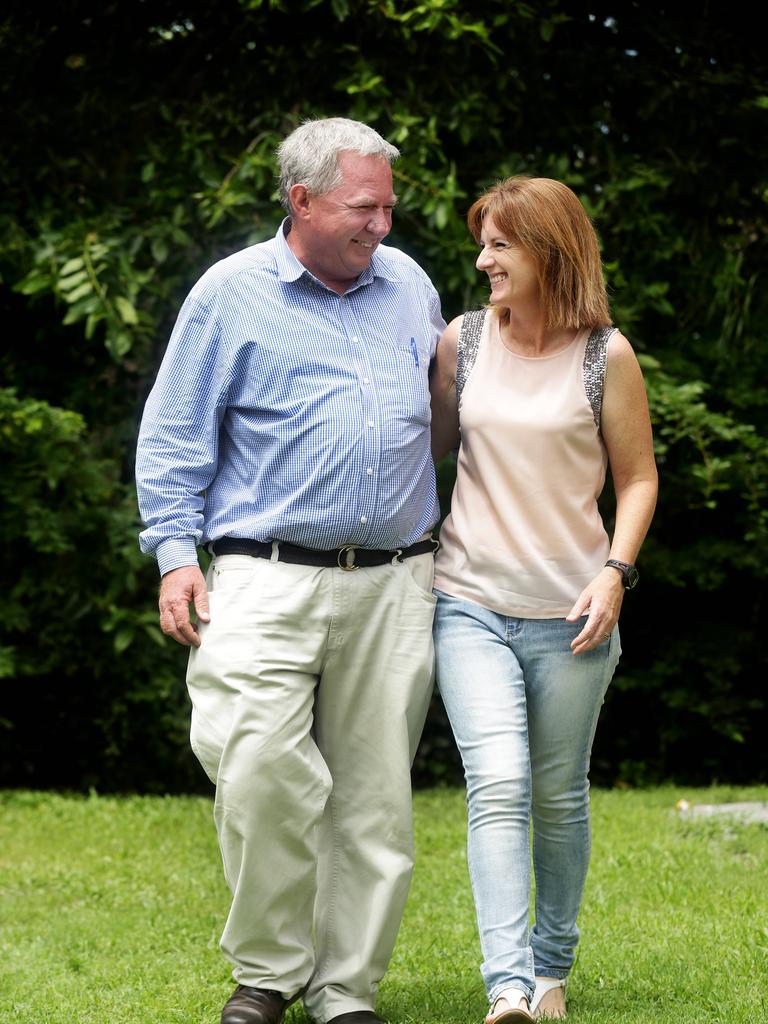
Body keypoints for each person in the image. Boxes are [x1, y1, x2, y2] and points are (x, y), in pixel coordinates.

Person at [136, 117, 445, 1024]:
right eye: (363, 206)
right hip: (264, 571)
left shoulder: (409, 285)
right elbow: (176, 437)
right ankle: (268, 973)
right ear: (301, 199)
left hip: (396, 577)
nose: (381, 224)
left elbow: (452, 405)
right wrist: (172, 557)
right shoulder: (228, 294)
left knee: (376, 797)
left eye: (388, 205)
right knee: (258, 767)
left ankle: (345, 990)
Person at [429, 176, 657, 1021]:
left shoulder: (607, 355)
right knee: (496, 782)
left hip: (574, 613)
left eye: (499, 244)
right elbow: (426, 462)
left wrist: (615, 572)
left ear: (549, 252)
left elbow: (637, 480)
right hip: (469, 602)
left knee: (558, 792)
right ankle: (509, 988)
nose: (482, 258)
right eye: (482, 242)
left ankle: (552, 971)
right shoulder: (463, 343)